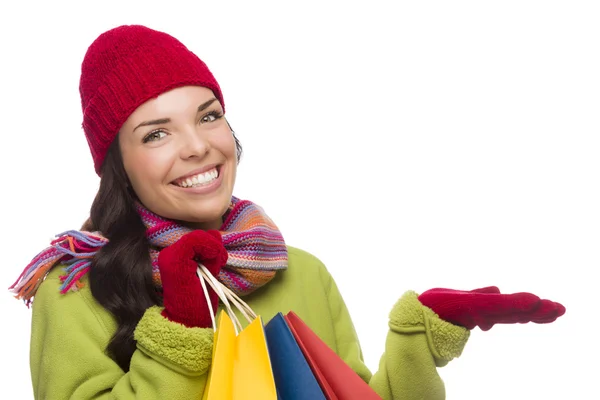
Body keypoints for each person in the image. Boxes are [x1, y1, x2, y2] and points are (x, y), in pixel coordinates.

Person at [9, 24, 565, 400]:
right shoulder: (74, 290)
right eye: (156, 133)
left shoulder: (298, 269)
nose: (198, 146)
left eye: (208, 116)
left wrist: (418, 338)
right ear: (118, 166)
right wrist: (181, 325)